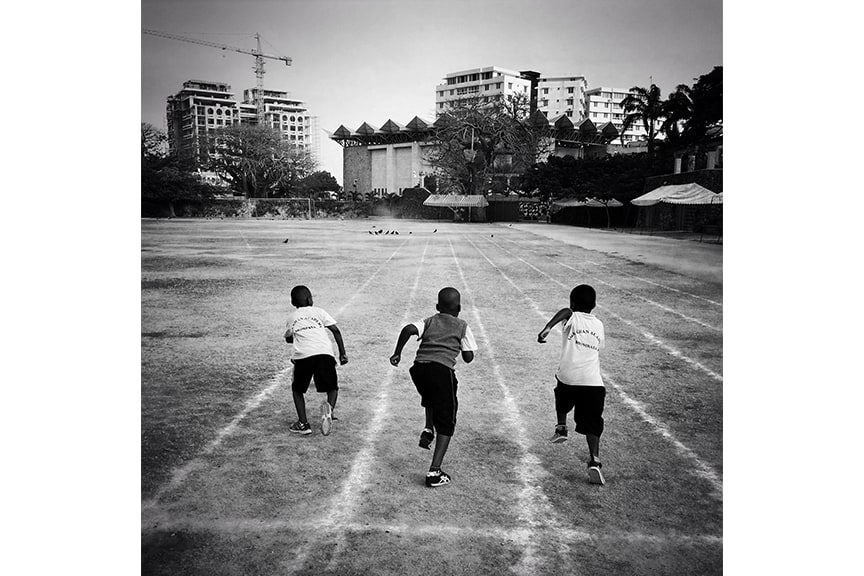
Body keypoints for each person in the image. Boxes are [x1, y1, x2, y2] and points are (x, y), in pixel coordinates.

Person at [390, 287, 477, 488]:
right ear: (460, 308)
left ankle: (429, 428)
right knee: (447, 419)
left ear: (438, 307)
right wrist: (460, 348)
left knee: (430, 397)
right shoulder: (462, 326)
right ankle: (435, 472)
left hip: (419, 369)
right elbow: (468, 357)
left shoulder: (429, 321)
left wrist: (398, 353)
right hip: (442, 371)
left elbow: (408, 329)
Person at [537, 284, 607, 485]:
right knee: (593, 423)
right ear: (593, 305)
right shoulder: (599, 324)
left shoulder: (571, 316)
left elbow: (566, 312)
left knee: (561, 395)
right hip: (593, 383)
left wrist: (548, 328)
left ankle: (561, 428)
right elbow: (599, 346)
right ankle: (594, 460)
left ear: (572, 302)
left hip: (569, 378)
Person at [284, 285, 348, 436]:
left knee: (297, 389)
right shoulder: (319, 311)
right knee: (332, 388)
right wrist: (342, 353)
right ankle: (329, 410)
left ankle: (303, 423)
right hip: (324, 353)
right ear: (309, 299)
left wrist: (292, 336)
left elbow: (289, 338)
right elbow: (336, 331)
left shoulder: (292, 317)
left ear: (293, 302)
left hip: (303, 356)